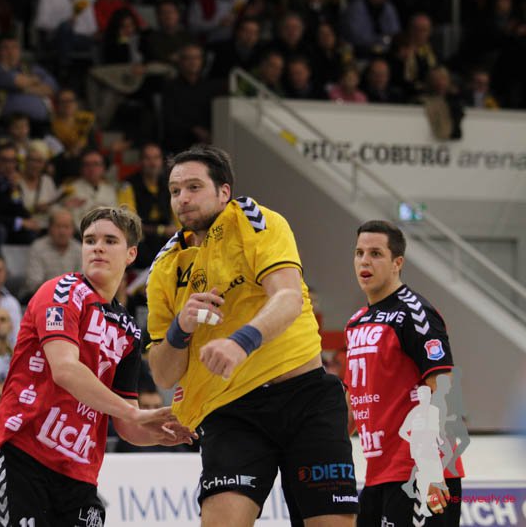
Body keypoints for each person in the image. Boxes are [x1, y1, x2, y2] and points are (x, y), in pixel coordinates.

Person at [146, 145, 358, 525]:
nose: (182, 199)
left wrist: (240, 342)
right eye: (175, 191)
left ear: (223, 192)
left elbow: (288, 297)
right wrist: (181, 328)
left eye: (194, 187)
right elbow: (162, 374)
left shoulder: (257, 221)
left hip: (304, 397)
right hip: (231, 412)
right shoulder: (165, 267)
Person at [0, 206, 194, 526]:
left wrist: (158, 433)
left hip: (79, 474)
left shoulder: (129, 330)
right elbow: (65, 370)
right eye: (90, 240)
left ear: (131, 253)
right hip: (22, 456)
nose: (97, 247)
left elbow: (126, 424)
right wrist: (133, 413)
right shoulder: (61, 292)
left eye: (110, 240)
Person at [345, 220, 463, 525]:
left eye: (375, 253)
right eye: (359, 253)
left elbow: (442, 389)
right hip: (377, 474)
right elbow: (353, 400)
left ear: (397, 263)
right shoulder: (355, 322)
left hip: (419, 473)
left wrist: (433, 470)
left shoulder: (415, 313)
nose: (364, 261)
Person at [24, 208, 82, 297]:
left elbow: (82, 282)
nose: (62, 231)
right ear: (50, 228)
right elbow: (34, 283)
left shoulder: (79, 249)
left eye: (66, 227)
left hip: (72, 297)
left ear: (73, 230)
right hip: (41, 296)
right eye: (58, 226)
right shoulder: (38, 247)